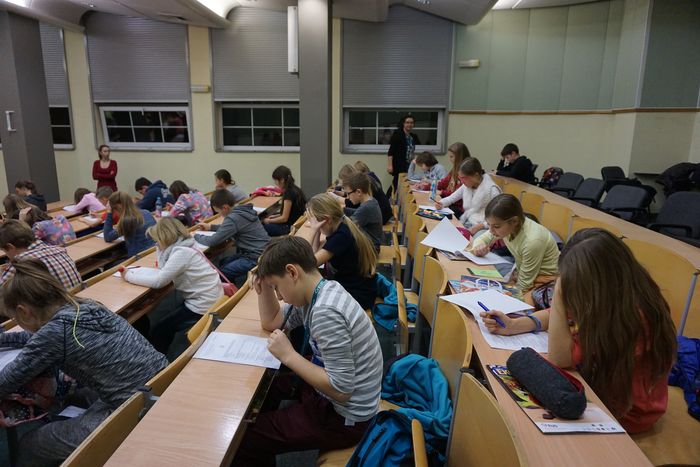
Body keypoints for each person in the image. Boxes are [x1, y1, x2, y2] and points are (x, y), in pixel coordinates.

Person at [480, 228, 677, 433]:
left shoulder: (632, 316)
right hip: (603, 387)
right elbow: (557, 315)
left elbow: (560, 357)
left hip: (627, 413)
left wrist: (559, 293)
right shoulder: (615, 291)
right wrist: (515, 325)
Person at [0, 258, 167, 466]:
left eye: (15, 318)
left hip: (132, 410)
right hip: (160, 387)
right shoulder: (84, 306)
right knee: (75, 396)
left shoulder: (54, 333)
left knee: (30, 444)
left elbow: (5, 381)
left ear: (24, 311)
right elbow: (39, 338)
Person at [233, 237, 382, 467]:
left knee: (245, 440)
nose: (279, 296)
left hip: (345, 417)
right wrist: (264, 288)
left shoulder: (325, 312)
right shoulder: (320, 291)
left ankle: (263, 434)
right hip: (331, 394)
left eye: (276, 287)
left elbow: (342, 390)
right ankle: (268, 428)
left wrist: (289, 355)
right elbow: (272, 321)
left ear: (292, 272)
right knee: (267, 388)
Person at [122, 217, 223, 356]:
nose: (156, 243)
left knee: (160, 330)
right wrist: (160, 248)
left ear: (165, 237)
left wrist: (128, 275)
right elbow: (162, 267)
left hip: (203, 303)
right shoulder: (187, 244)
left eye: (157, 240)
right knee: (167, 321)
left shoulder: (181, 253)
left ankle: (156, 358)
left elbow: (159, 281)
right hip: (210, 295)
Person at [471, 194, 559, 296]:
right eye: (488, 224)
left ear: (514, 221)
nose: (491, 230)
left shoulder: (533, 241)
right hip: (523, 272)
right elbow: (482, 239)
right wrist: (478, 247)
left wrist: (511, 294)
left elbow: (524, 285)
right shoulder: (510, 227)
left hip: (544, 281)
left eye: (496, 226)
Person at [306, 193, 377, 310]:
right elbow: (313, 254)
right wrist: (317, 231)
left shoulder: (341, 236)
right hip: (355, 287)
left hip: (358, 295)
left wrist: (313, 230)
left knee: (308, 296)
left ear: (327, 220)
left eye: (314, 221)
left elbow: (308, 264)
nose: (313, 224)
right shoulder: (341, 227)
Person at [195, 189, 270, 284]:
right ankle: (232, 284)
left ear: (225, 208)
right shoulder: (242, 211)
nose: (219, 214)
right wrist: (211, 227)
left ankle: (232, 290)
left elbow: (212, 241)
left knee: (222, 274)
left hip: (254, 258)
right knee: (224, 261)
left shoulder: (233, 218)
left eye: (219, 212)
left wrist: (196, 236)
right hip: (264, 252)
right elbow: (230, 227)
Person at [0, 220, 81, 290]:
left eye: (4, 251)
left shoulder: (18, 265)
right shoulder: (59, 250)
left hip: (58, 303)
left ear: (10, 247)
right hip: (77, 299)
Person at [436, 157, 501, 235]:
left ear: (476, 175)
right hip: (468, 222)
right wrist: (441, 203)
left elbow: (499, 218)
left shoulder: (492, 190)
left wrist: (480, 226)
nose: (461, 181)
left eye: (463, 178)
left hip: (485, 228)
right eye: (460, 178)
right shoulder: (467, 186)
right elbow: (451, 199)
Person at [103, 191, 156, 257]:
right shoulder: (146, 212)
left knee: (111, 261)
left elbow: (107, 237)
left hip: (139, 257)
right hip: (154, 252)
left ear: (116, 209)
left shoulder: (127, 220)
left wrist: (109, 213)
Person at [342, 172, 383, 251]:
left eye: (348, 193)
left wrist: (337, 216)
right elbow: (357, 212)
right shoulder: (371, 201)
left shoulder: (366, 207)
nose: (348, 197)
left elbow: (347, 226)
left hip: (371, 250)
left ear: (358, 192)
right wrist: (343, 210)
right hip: (370, 246)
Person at [261, 166, 307, 237]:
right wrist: (275, 216)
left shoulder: (288, 193)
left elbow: (284, 218)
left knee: (261, 228)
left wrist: (269, 220)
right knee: (267, 218)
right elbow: (291, 212)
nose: (275, 183)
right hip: (294, 223)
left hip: (289, 227)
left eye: (276, 180)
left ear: (282, 180)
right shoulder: (296, 189)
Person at [387, 115, 421, 194]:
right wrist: (390, 166)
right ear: (403, 123)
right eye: (407, 122)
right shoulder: (398, 134)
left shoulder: (412, 137)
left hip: (408, 165)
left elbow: (411, 151)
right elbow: (390, 152)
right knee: (396, 183)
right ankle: (386, 198)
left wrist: (413, 164)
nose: (409, 124)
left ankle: (397, 199)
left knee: (404, 183)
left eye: (411, 123)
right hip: (399, 164)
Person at [437, 142, 471, 215]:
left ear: (459, 157)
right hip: (452, 204)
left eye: (451, 157)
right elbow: (443, 183)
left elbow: (458, 196)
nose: (449, 159)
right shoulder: (454, 170)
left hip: (459, 209)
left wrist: (442, 192)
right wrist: (427, 186)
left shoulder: (465, 173)